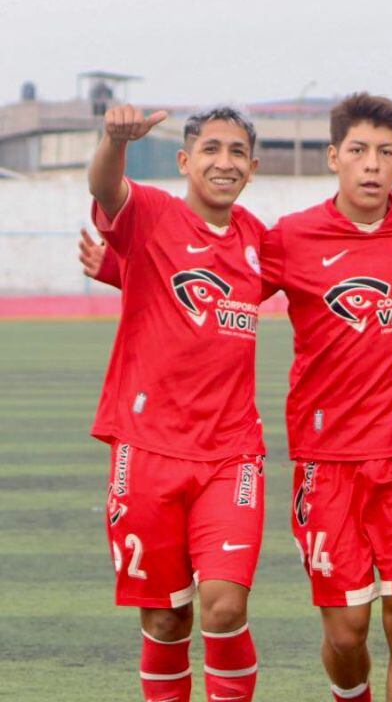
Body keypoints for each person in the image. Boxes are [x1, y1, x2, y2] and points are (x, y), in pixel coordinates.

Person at [260, 93, 392, 702]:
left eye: (386, 153)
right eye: (359, 151)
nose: (372, 164)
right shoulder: (290, 238)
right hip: (326, 460)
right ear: (333, 158)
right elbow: (217, 280)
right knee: (347, 632)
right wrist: (118, 263)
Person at [87, 104, 267, 701]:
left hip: (232, 455)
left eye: (237, 152)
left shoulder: (259, 242)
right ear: (186, 161)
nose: (224, 161)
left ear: (252, 167)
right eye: (212, 149)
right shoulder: (155, 216)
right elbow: (106, 188)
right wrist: (115, 141)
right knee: (165, 620)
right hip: (146, 452)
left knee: (221, 608)